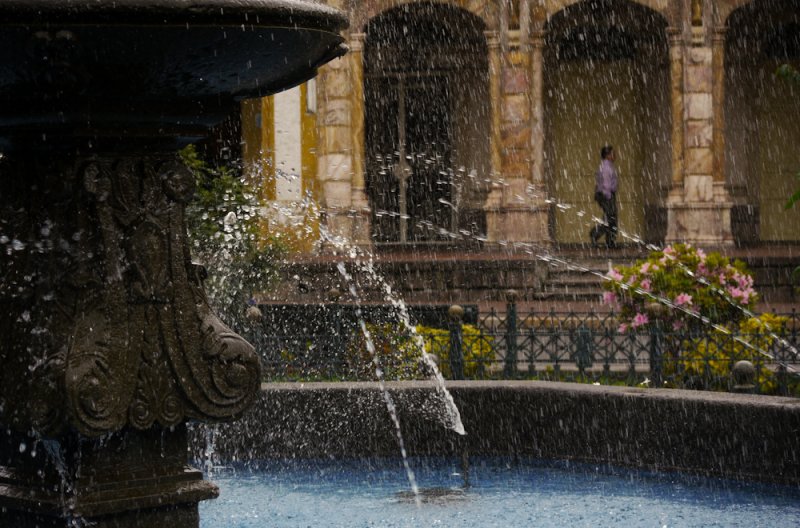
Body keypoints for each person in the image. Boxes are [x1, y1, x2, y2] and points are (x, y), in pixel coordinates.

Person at [589, 145, 618, 249]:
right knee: (610, 218)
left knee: (610, 218)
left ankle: (610, 241)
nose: (615, 155)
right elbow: (606, 184)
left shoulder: (608, 165)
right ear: (608, 155)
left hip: (606, 194)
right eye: (612, 153)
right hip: (606, 195)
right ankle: (595, 235)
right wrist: (609, 197)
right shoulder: (606, 167)